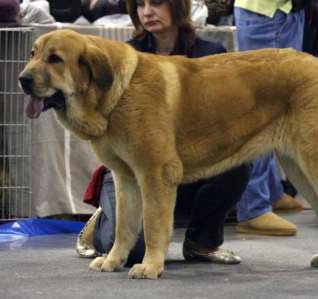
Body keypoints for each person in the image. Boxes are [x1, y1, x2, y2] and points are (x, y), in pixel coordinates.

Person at [76, 0, 251, 266]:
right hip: (130, 168)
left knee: (239, 162)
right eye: (140, 5)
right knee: (131, 254)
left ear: (179, 7)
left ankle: (201, 243)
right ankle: (101, 223)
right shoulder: (125, 56)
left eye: (156, 3)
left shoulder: (211, 52)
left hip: (185, 161)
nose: (147, 12)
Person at [233, 0, 306, 236]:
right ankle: (253, 208)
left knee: (279, 108)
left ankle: (271, 192)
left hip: (282, 11)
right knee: (265, 113)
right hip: (267, 12)